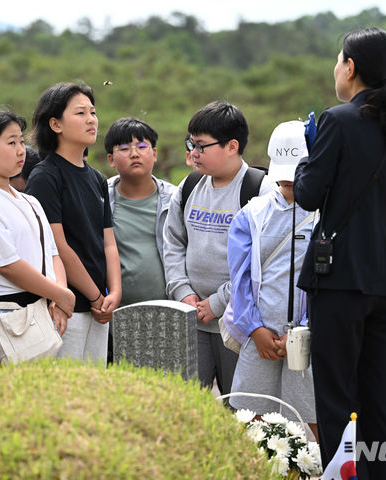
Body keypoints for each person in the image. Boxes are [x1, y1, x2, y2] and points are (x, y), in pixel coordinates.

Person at [293, 27, 386, 479]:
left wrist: (309, 152)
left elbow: (307, 196)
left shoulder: (337, 120)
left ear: (350, 67)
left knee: (337, 395)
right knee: (384, 394)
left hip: (341, 280)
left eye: (337, 59)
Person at [163, 100, 273, 399]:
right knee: (187, 406)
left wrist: (219, 302)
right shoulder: (189, 186)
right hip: (193, 319)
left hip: (238, 324)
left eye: (201, 146)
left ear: (231, 146)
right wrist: (182, 290)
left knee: (241, 408)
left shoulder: (259, 191)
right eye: (191, 144)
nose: (193, 153)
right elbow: (172, 242)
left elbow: (263, 261)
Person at [0, 109, 74, 364]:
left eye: (21, 141)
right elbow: (7, 265)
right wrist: (60, 295)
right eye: (11, 143)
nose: (21, 150)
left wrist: (58, 296)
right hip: (3, 317)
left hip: (39, 312)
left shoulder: (29, 201)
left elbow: (51, 252)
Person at [227, 120, 317, 436]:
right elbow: (239, 280)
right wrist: (256, 329)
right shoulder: (252, 214)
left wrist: (307, 326)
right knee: (252, 415)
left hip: (310, 337)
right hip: (259, 334)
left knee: (309, 418)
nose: (288, 180)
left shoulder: (326, 213)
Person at [25, 83, 121, 363]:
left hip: (100, 308)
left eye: (93, 112)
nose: (91, 119)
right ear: (55, 124)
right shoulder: (45, 176)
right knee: (69, 394)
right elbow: (58, 246)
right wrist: (94, 296)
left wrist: (113, 293)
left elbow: (109, 243)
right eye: (80, 113)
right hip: (67, 307)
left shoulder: (97, 179)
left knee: (95, 392)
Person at [105, 117, 175, 306]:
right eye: (125, 148)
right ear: (111, 159)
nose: (134, 154)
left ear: (154, 154)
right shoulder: (100, 198)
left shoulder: (176, 199)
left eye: (142, 146)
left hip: (170, 307)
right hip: (114, 312)